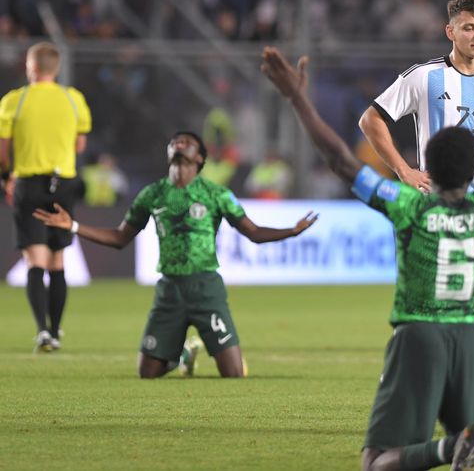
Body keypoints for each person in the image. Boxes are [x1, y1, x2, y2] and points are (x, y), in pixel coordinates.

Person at [259, 40, 474, 470]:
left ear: (429, 165)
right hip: (467, 341)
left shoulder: (408, 207)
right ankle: (469, 444)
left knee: (378, 460)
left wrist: (296, 96)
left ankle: (449, 449)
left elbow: (339, 159)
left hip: (419, 338)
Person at [358, 0, 474, 423]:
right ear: (450, 30)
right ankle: (409, 383)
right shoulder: (424, 78)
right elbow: (371, 120)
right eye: (470, 27)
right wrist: (402, 169)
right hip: (434, 207)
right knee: (428, 298)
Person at [33, 131, 318, 378]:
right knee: (147, 374)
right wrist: (73, 225)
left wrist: (291, 232)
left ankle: (214, 351)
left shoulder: (215, 194)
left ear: (199, 158)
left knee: (233, 374)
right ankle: (183, 355)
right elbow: (120, 238)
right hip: (169, 290)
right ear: (169, 153)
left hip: (206, 288)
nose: (179, 143)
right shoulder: (152, 194)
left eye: (187, 141)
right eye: (175, 141)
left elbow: (253, 232)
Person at [0, 42, 92, 353]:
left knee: (34, 259)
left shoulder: (15, 100)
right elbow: (80, 145)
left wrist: (6, 176)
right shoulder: (73, 99)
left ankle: (42, 332)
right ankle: (56, 329)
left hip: (28, 183)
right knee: (57, 259)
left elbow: (3, 149)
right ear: (56, 68)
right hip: (63, 183)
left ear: (32, 67)